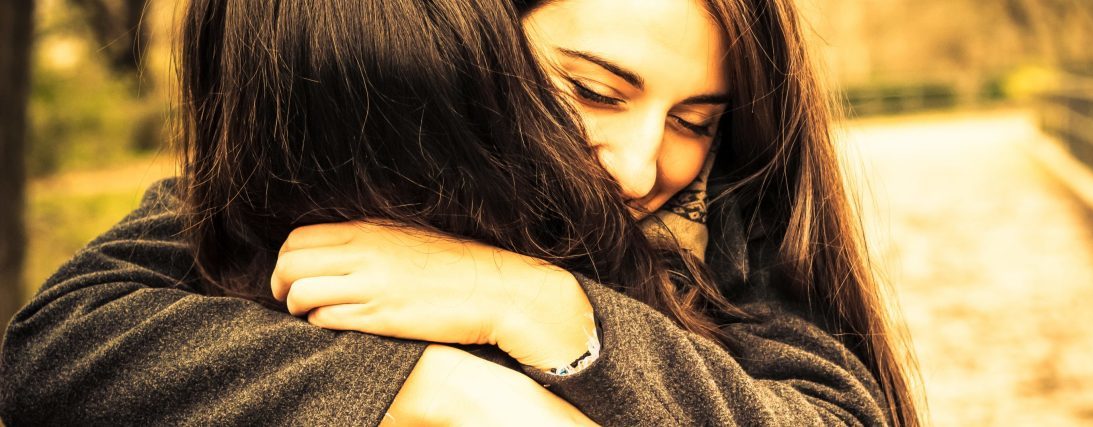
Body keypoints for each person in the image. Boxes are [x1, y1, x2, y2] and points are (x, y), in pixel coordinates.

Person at [0, 0, 923, 426]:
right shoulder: (310, 182)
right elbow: (57, 344)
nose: (644, 165)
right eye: (595, 90)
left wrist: (547, 311)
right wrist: (438, 393)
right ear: (471, 36)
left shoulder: (714, 247)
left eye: (695, 123)